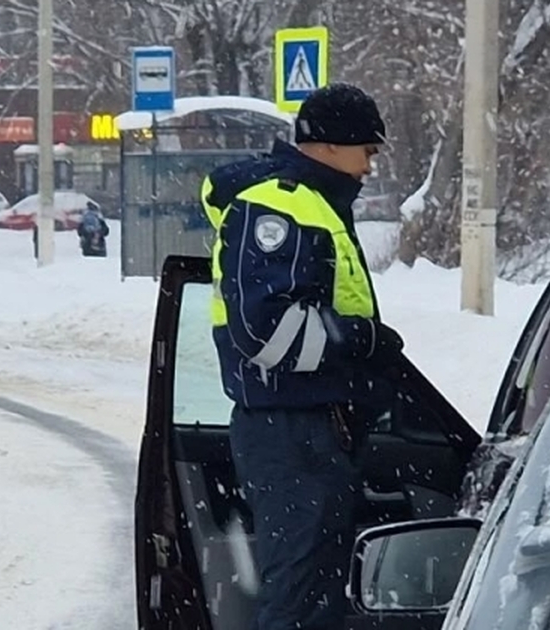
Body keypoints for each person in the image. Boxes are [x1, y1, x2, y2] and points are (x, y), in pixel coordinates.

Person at [203, 83, 405, 630]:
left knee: (316, 592)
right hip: (289, 430)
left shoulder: (313, 203)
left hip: (309, 430)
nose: (369, 165)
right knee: (299, 598)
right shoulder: (278, 205)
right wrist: (359, 341)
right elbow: (266, 333)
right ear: (333, 145)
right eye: (368, 149)